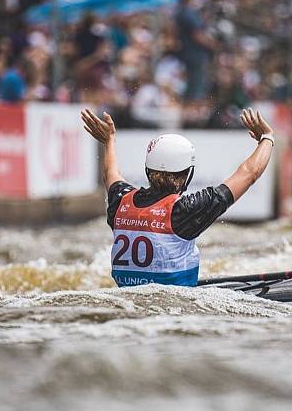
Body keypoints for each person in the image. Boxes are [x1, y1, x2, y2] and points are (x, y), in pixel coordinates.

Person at [80, 107, 275, 287]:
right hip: (174, 310)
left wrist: (109, 141)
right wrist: (267, 137)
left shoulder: (120, 200)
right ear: (187, 174)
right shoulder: (184, 210)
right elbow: (249, 173)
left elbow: (110, 174)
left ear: (148, 170)